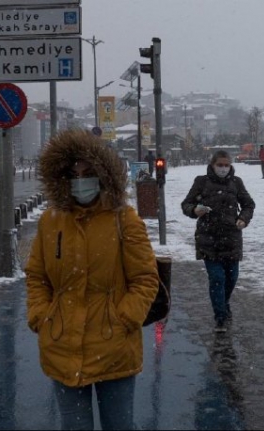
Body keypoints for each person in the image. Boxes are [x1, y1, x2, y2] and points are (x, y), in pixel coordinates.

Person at [25, 129, 159, 430]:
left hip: (114, 348)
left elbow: (145, 279)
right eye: (73, 173)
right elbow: (37, 275)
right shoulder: (51, 221)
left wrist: (125, 317)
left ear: (103, 174)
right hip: (61, 344)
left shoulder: (124, 219)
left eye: (88, 172)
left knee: (119, 426)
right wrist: (40, 315)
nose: (80, 180)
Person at [181, 150, 255, 333]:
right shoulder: (201, 181)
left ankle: (223, 302)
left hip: (231, 239)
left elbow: (248, 204)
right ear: (213, 165)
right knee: (217, 278)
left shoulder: (236, 182)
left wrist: (243, 219)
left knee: (231, 278)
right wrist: (194, 210)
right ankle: (220, 316)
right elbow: (186, 204)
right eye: (219, 165)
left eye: (226, 165)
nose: (223, 168)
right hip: (208, 239)